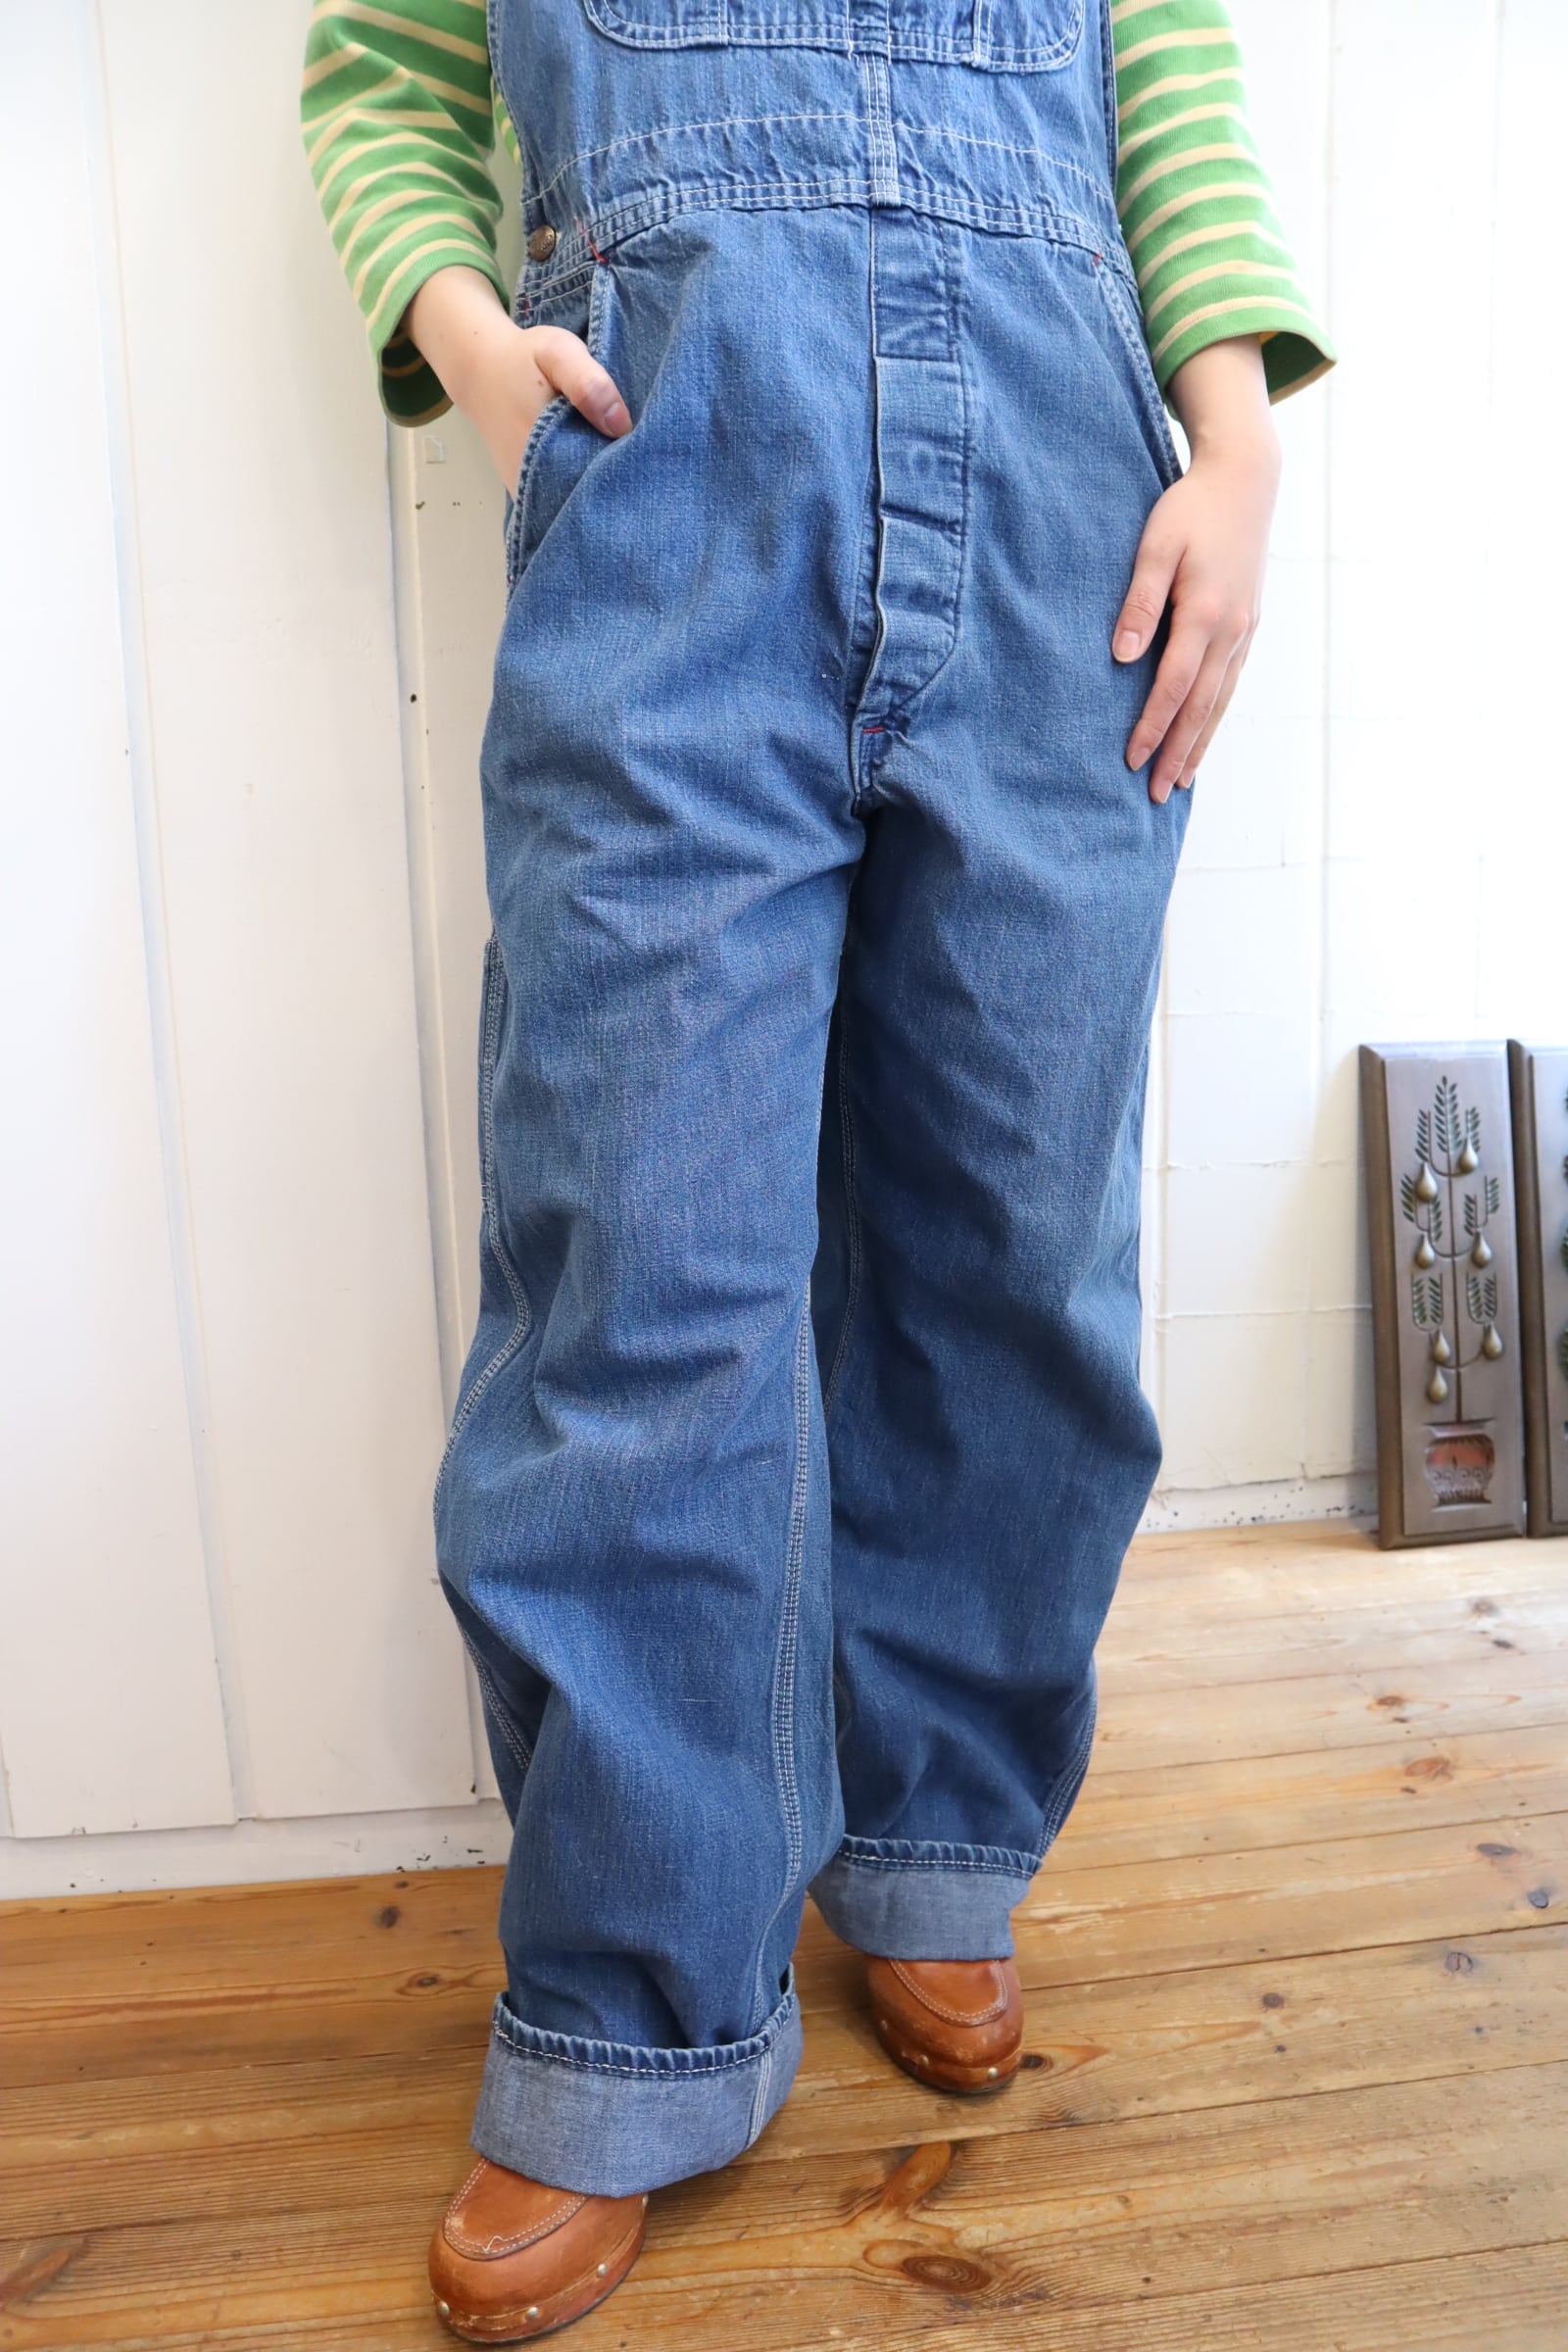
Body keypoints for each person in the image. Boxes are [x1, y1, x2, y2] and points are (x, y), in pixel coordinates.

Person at [301, 0, 1332, 2337]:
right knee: (639, 1268)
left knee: (1010, 1241)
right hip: (670, 493)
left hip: (1074, 515)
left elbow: (1163, 69)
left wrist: (1235, 448)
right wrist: (474, 353)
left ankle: (935, 1836)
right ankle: (623, 2014)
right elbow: (378, 71)